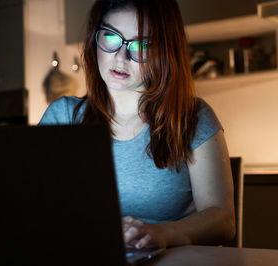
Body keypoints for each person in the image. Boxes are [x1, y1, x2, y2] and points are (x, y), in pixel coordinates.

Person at [39, 0, 235, 249]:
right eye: (111, 37)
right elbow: (33, 207)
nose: (121, 57)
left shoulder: (193, 116)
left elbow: (223, 219)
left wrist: (163, 233)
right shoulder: (63, 116)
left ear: (163, 51)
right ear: (94, 39)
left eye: (141, 44)